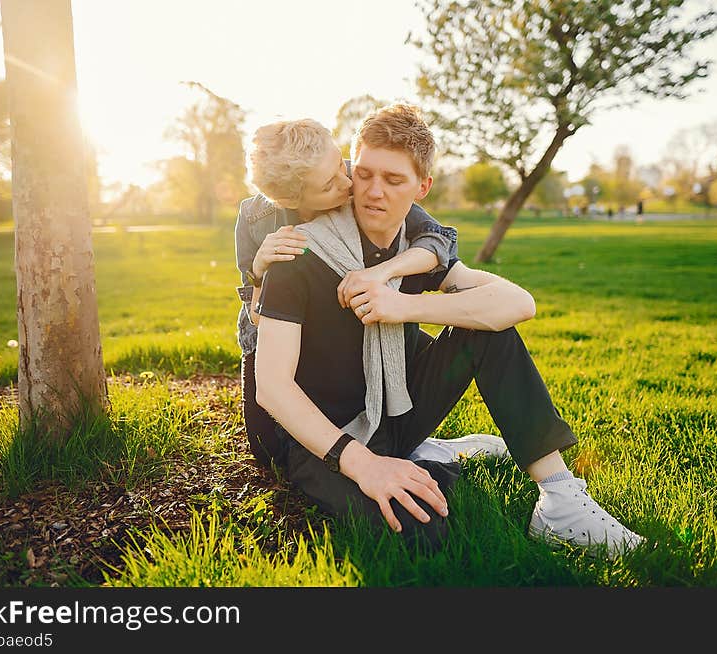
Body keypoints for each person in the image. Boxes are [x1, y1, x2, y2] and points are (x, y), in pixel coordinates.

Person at [254, 103, 644, 558]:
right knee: (424, 530)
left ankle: (560, 499)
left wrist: (402, 304)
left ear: (422, 188)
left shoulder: (417, 250)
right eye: (363, 174)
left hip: (397, 417)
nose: (373, 193)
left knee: (487, 325)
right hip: (328, 437)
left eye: (394, 180)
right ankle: (434, 455)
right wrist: (365, 466)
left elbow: (518, 304)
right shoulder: (296, 254)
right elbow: (273, 389)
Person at [234, 118, 461, 469]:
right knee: (269, 450)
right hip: (274, 338)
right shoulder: (258, 218)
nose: (348, 183)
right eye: (329, 185)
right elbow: (257, 315)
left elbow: (435, 237)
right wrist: (260, 269)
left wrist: (386, 273)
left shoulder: (363, 177)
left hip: (342, 326)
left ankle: (407, 440)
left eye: (341, 164)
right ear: (291, 200)